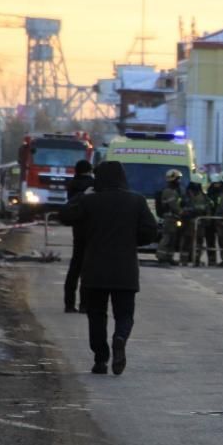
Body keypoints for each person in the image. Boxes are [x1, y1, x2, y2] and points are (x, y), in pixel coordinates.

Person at [60, 161, 158, 375]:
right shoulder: (136, 201)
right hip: (125, 270)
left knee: (96, 315)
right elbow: (151, 231)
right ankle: (120, 337)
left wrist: (81, 196)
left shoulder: (90, 201)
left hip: (94, 269)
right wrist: (133, 240)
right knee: (124, 315)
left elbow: (65, 215)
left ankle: (100, 359)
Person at [63, 159, 95, 312]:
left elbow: (69, 204)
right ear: (90, 170)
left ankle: (69, 304)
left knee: (75, 267)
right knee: (87, 269)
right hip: (92, 229)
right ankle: (85, 304)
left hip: (78, 228)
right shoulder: (94, 185)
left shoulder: (72, 184)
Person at [155, 169, 183, 265]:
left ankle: (169, 257)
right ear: (173, 179)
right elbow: (174, 206)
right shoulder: (169, 192)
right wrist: (182, 213)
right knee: (167, 238)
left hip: (174, 218)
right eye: (178, 179)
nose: (179, 181)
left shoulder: (174, 191)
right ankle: (161, 257)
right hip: (169, 218)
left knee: (172, 239)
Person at [180, 173, 209, 266]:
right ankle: (186, 260)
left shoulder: (188, 194)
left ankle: (193, 260)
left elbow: (206, 209)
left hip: (197, 223)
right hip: (190, 223)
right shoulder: (188, 195)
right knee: (188, 242)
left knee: (195, 242)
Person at [204, 173, 222, 265]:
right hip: (210, 222)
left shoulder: (222, 193)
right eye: (215, 183)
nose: (217, 185)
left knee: (222, 241)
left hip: (219, 221)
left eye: (218, 183)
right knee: (210, 242)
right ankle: (212, 260)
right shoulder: (209, 194)